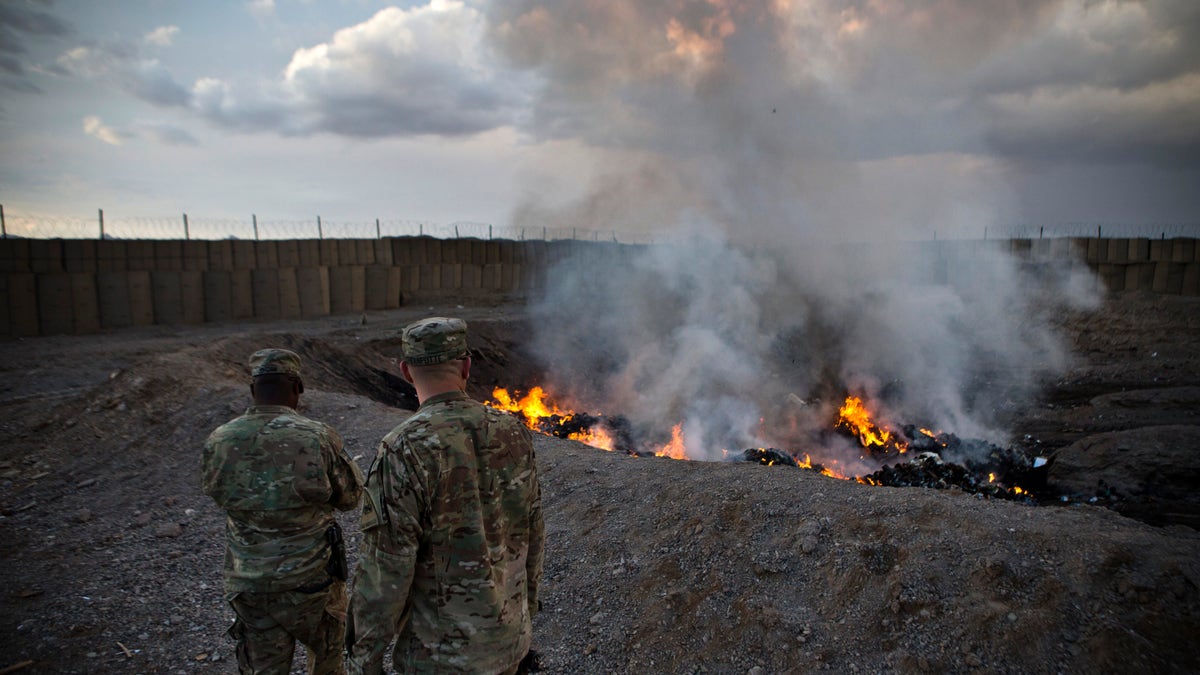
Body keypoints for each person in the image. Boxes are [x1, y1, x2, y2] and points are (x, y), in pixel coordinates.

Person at [348, 317, 544, 674]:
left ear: (406, 371)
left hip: (440, 658)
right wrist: (524, 618)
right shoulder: (514, 433)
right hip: (508, 647)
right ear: (467, 366)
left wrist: (365, 658)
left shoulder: (403, 448)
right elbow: (533, 534)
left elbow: (386, 570)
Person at [202, 348, 364, 674]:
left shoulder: (220, 439)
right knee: (328, 664)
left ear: (252, 390)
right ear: (297, 387)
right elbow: (350, 498)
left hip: (250, 583)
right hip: (312, 582)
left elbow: (216, 493)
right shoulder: (317, 436)